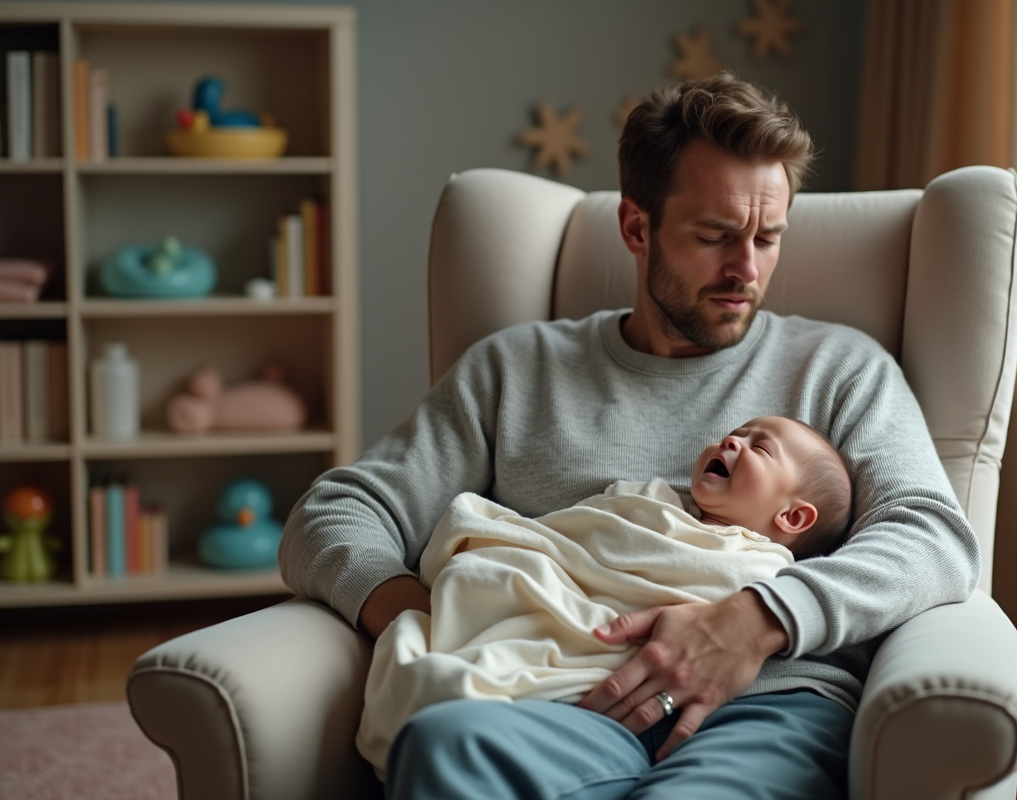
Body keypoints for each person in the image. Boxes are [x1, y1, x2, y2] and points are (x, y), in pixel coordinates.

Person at [280, 72, 979, 799]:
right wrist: (429, 608)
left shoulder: (840, 367)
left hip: (763, 705)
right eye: (715, 237)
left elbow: (933, 536)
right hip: (557, 704)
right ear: (637, 228)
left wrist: (755, 620)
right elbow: (332, 513)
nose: (747, 269)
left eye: (768, 238)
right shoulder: (517, 369)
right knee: (441, 747)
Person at [355, 416, 853, 775]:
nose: (732, 439)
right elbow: (581, 542)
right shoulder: (650, 503)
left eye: (759, 448)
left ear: (792, 518)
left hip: (744, 708)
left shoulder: (761, 567)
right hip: (582, 678)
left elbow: (925, 535)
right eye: (736, 434)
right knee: (443, 734)